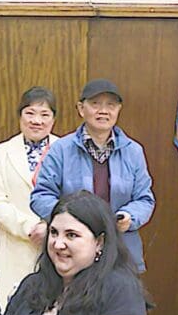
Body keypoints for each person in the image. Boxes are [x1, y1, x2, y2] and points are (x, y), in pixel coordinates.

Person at [0, 191, 147, 315]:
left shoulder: (120, 289)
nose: (58, 244)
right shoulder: (32, 285)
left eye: (71, 235)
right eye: (53, 233)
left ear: (99, 242)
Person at [31, 79, 155, 273]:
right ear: (81, 108)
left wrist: (129, 217)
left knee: (121, 301)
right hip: (71, 252)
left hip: (121, 251)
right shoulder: (61, 150)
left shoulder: (133, 151)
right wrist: (72, 220)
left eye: (110, 105)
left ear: (118, 110)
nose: (103, 111)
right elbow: (41, 196)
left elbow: (144, 199)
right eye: (95, 104)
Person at [0, 86, 59, 308]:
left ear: (53, 119)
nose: (37, 120)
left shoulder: (65, 150)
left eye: (45, 115)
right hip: (14, 245)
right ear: (20, 116)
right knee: (12, 309)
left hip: (57, 243)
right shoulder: (0, 153)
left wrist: (51, 228)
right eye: (30, 113)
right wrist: (30, 226)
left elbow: (74, 198)